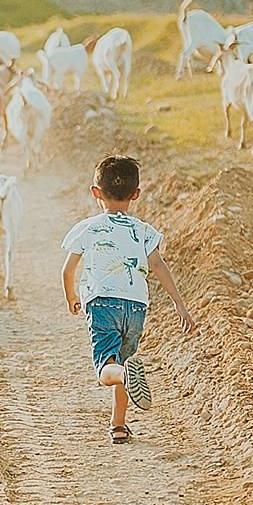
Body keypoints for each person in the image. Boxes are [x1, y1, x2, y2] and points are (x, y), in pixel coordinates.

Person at [60, 155, 194, 442]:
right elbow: (158, 266)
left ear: (96, 193)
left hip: (102, 304)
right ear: (136, 195)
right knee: (123, 360)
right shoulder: (144, 231)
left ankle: (123, 377)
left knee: (107, 369)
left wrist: (71, 296)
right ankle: (118, 425)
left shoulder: (88, 227)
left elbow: (68, 269)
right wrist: (179, 305)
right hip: (136, 307)